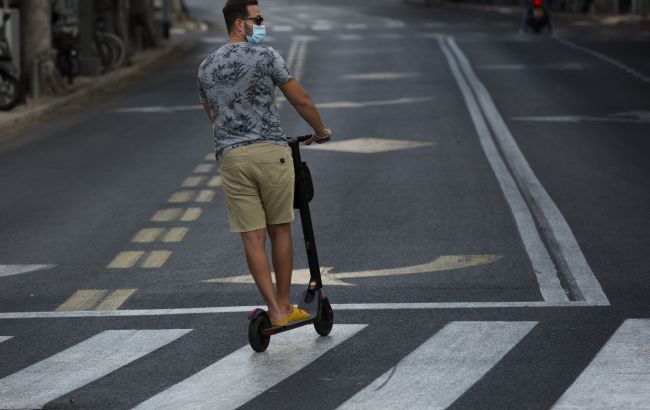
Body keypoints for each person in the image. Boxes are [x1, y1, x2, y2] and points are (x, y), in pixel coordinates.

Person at [197, 0, 332, 327]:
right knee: (280, 230)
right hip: (270, 153)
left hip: (231, 158)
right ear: (240, 24)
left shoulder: (206, 66)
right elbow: (300, 98)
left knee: (252, 237)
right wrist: (320, 130)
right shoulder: (266, 55)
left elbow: (211, 113)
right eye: (257, 19)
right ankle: (286, 306)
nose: (262, 24)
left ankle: (272, 309)